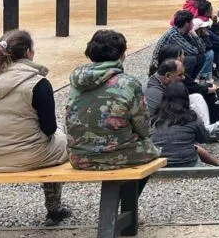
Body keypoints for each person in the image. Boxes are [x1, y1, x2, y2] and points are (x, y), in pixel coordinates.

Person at [0, 30, 72, 225]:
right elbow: (49, 128)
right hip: (29, 155)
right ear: (28, 52)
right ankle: (53, 209)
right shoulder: (37, 83)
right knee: (61, 135)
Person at [66, 30, 160, 170]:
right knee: (152, 150)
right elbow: (143, 127)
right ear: (121, 55)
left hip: (79, 156)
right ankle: (127, 192)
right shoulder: (128, 83)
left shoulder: (76, 82)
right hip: (118, 154)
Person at [150, 83, 219, 167]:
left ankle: (218, 163)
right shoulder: (191, 117)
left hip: (161, 164)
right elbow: (204, 138)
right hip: (188, 163)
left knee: (193, 147)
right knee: (193, 148)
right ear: (186, 98)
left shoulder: (154, 119)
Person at [145, 57, 219, 137]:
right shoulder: (154, 92)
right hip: (162, 128)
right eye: (180, 75)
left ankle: (204, 131)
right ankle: (203, 133)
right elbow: (160, 119)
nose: (183, 77)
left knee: (196, 97)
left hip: (170, 114)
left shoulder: (166, 81)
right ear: (167, 76)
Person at [151, 11, 210, 80]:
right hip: (159, 65)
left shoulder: (184, 32)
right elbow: (194, 51)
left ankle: (189, 81)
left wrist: (195, 35)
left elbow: (202, 50)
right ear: (186, 24)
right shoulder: (173, 35)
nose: (193, 25)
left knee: (201, 57)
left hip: (170, 59)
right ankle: (185, 83)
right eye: (191, 22)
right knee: (192, 59)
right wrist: (194, 36)